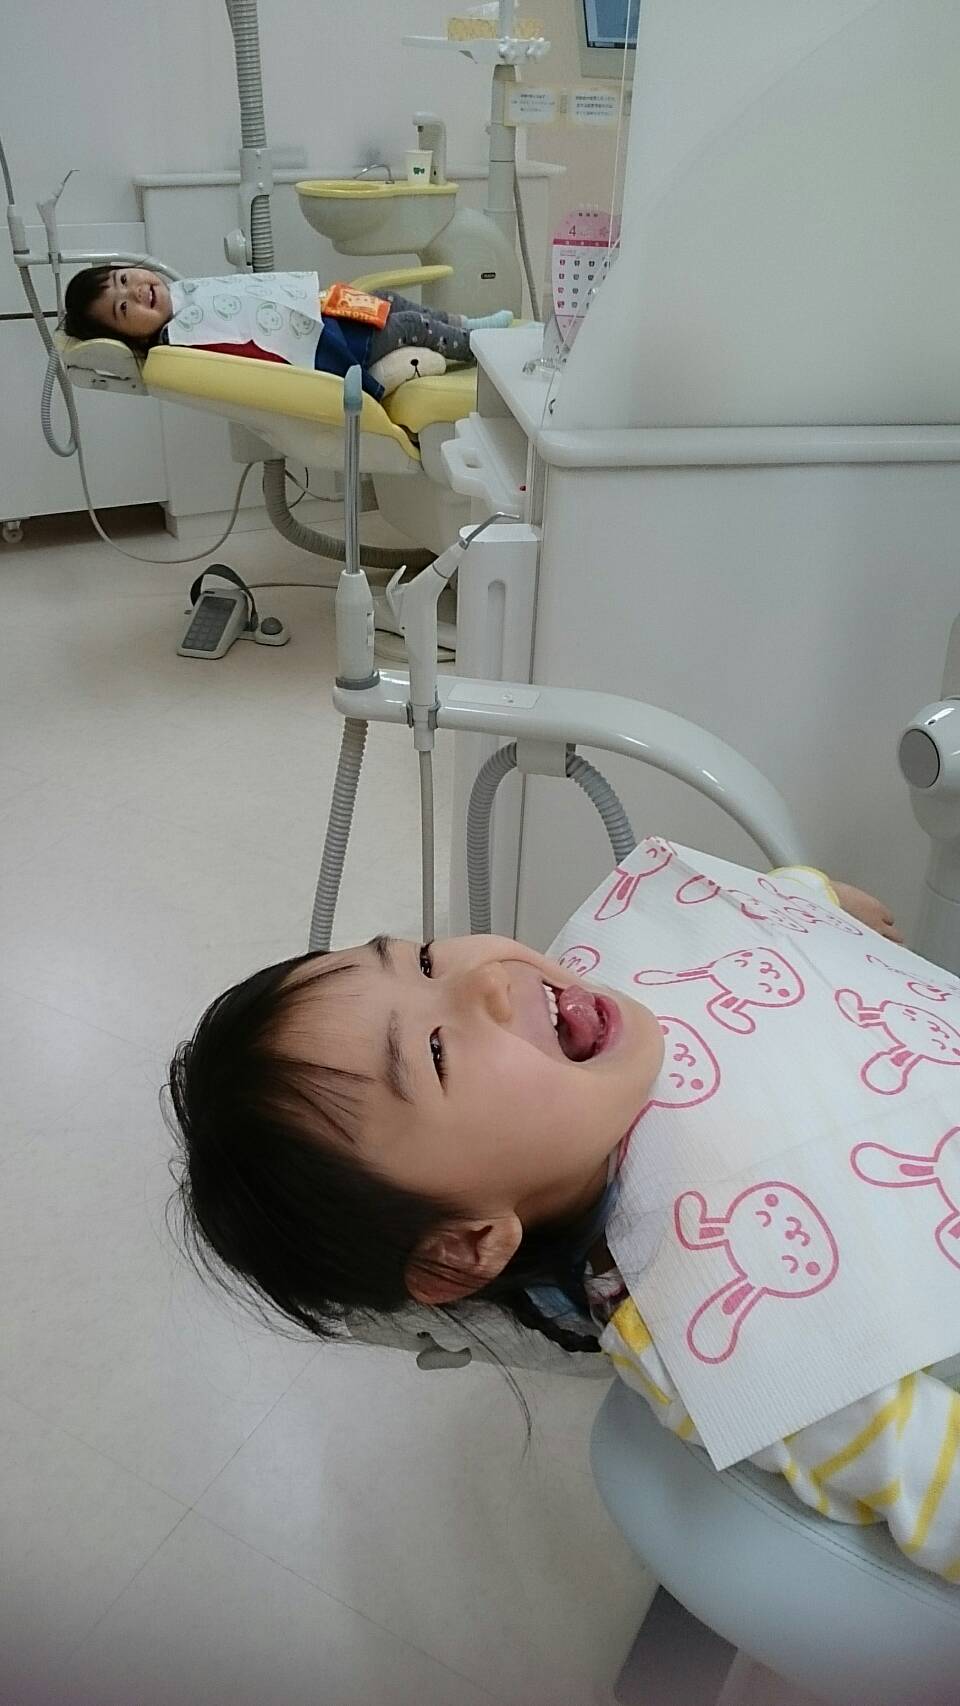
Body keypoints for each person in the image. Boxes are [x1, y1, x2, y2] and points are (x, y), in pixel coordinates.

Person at [164, 865, 960, 1583]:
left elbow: (719, 940)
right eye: (436, 1054)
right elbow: (931, 1475)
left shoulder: (604, 997)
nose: (484, 978)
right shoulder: (703, 1325)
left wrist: (808, 899)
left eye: (425, 959)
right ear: (469, 1243)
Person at [63, 265, 513, 399]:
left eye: (125, 278)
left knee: (388, 299)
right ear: (133, 338)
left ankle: (464, 324)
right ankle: (480, 347)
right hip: (334, 349)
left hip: (325, 315)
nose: (136, 291)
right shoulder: (178, 343)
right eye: (124, 308)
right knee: (408, 326)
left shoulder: (183, 296)